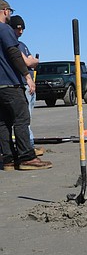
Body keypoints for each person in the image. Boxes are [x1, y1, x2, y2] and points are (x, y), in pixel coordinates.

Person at [0, 0, 51, 170]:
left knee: (3, 123)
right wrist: (27, 77)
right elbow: (14, 53)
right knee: (21, 119)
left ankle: (7, 159)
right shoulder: (4, 29)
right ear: (5, 11)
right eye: (10, 12)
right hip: (10, 84)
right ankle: (26, 157)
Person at [8, 15, 43, 156]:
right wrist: (33, 61)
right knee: (22, 119)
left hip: (29, 85)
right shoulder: (12, 46)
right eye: (18, 29)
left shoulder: (22, 45)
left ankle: (27, 146)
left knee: (26, 118)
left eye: (22, 29)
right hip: (20, 85)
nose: (20, 31)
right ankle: (28, 148)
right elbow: (29, 63)